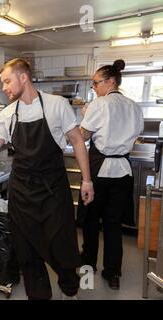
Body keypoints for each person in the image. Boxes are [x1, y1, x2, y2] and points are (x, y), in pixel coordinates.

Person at [0, 58, 94, 300]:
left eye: (7, 81)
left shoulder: (56, 105)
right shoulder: (8, 113)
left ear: (24, 77)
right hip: (22, 190)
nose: (4, 88)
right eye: (2, 83)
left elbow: (76, 140)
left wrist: (87, 180)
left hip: (53, 189)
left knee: (60, 245)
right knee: (26, 250)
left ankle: (70, 289)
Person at [78, 59, 144, 290]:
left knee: (90, 220)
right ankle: (113, 273)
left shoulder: (100, 104)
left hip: (99, 170)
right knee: (113, 224)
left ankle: (88, 264)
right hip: (123, 171)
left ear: (110, 81)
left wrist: (73, 129)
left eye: (96, 83)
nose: (94, 87)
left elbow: (83, 136)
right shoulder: (134, 106)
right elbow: (134, 137)